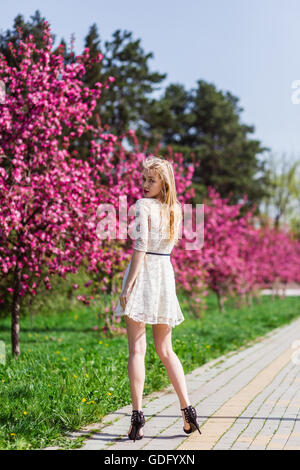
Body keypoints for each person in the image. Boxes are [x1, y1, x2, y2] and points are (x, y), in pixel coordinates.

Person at [114, 155, 201, 442]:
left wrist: (128, 286)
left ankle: (137, 418)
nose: (145, 184)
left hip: (146, 273)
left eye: (151, 180)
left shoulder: (143, 206)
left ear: (164, 182)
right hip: (165, 274)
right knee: (166, 349)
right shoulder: (175, 208)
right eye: (144, 179)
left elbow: (140, 247)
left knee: (137, 351)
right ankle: (188, 411)